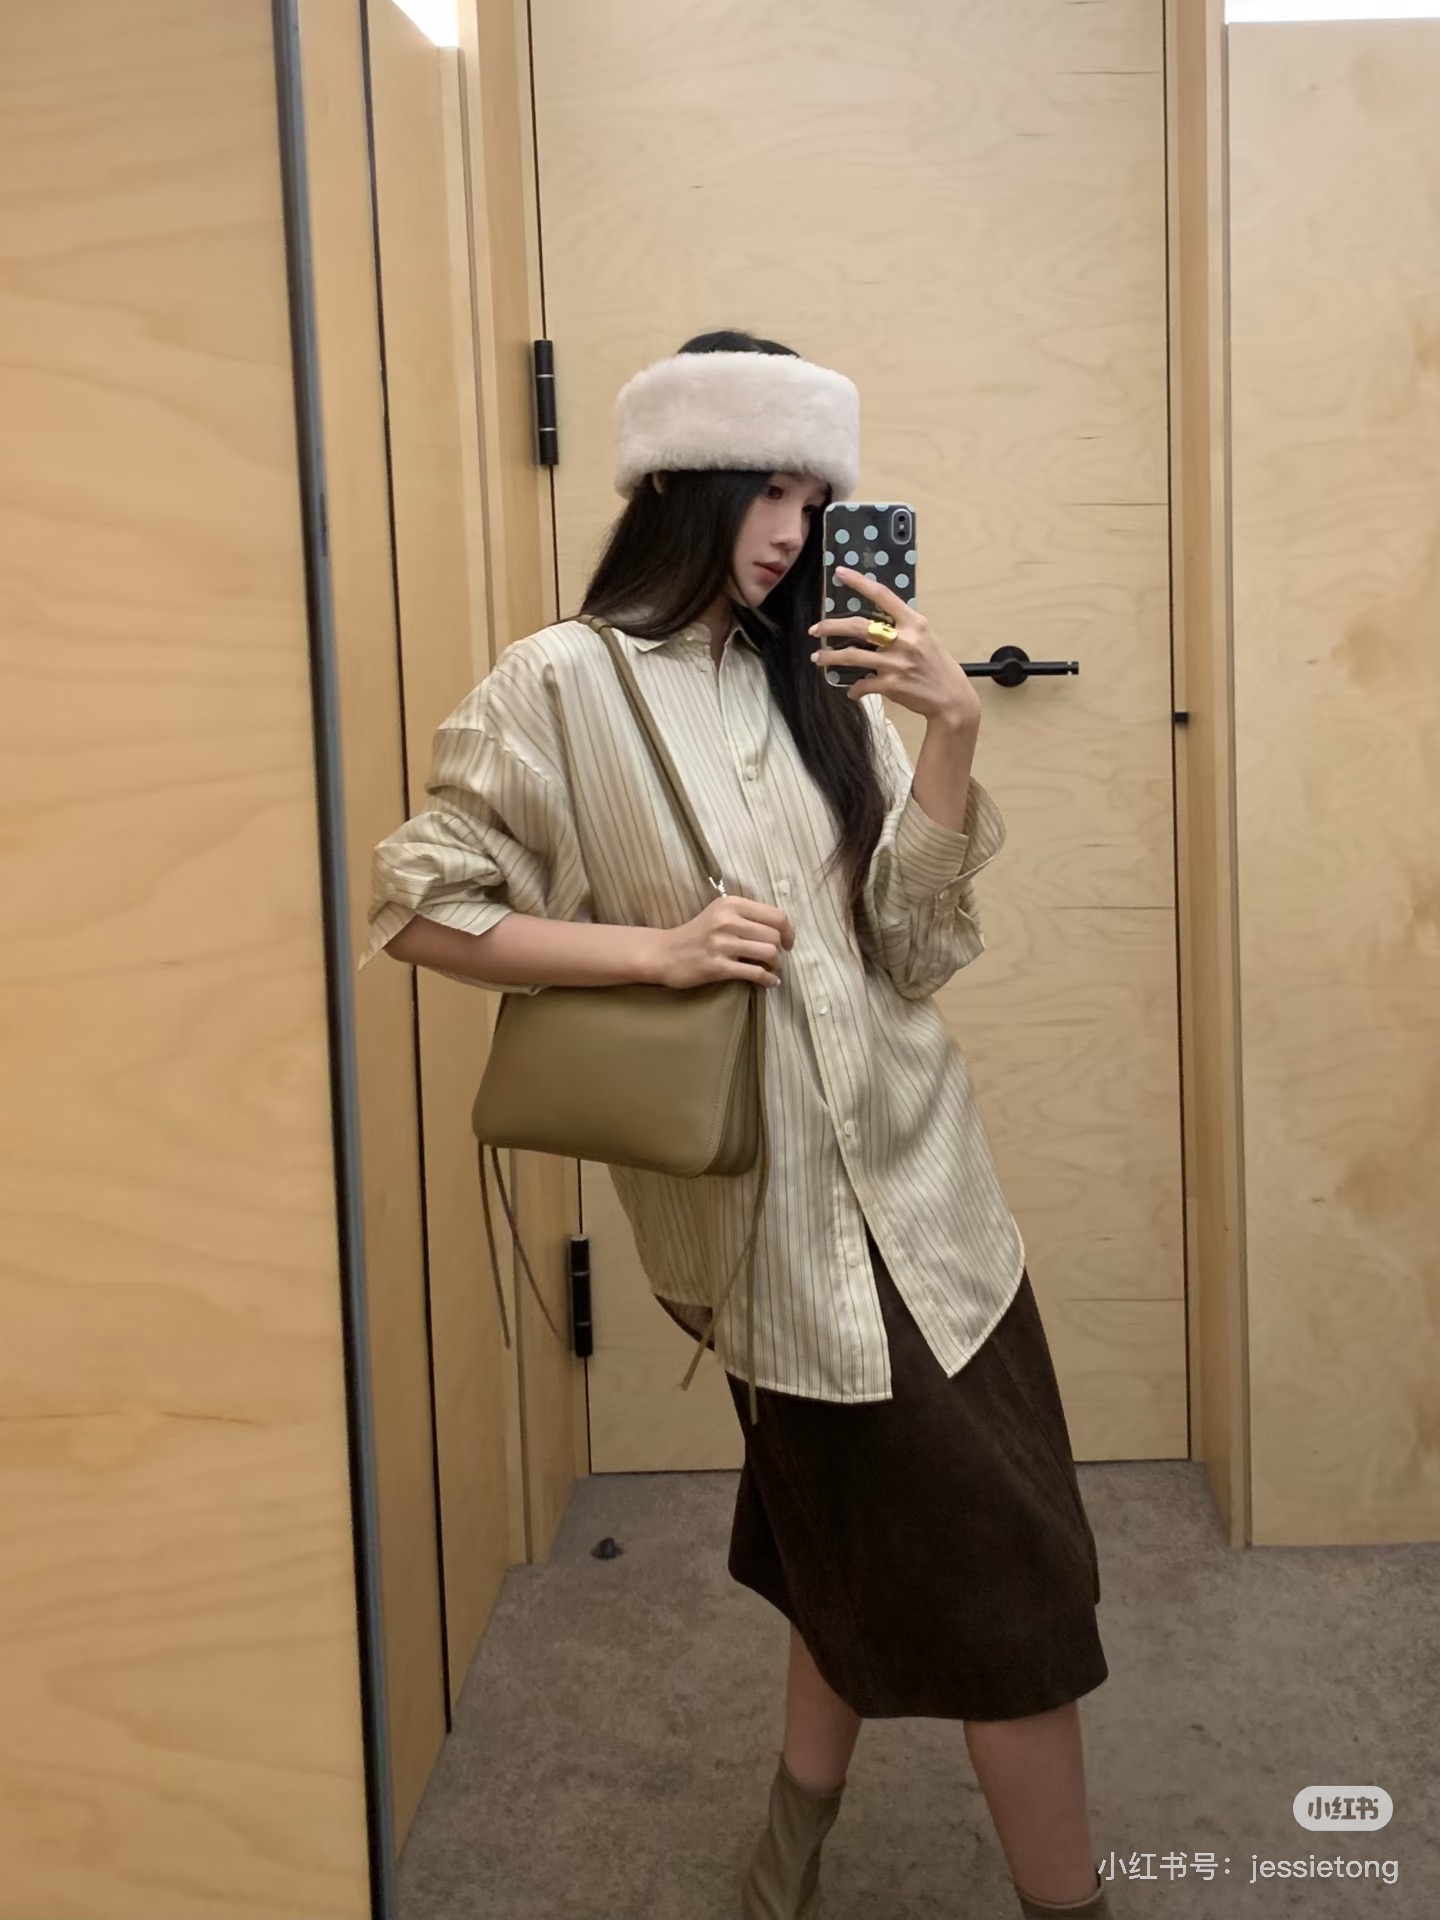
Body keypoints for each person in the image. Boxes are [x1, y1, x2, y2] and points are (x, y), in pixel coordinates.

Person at [363, 331, 1115, 1919]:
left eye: (814, 498)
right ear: (679, 486)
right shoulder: (561, 683)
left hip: (940, 1201)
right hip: (777, 1236)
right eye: (767, 490)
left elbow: (913, 953)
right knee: (1017, 1607)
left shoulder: (823, 681)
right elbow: (419, 905)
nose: (794, 531)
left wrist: (951, 736)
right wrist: (655, 951)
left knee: (848, 1552)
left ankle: (784, 1861)